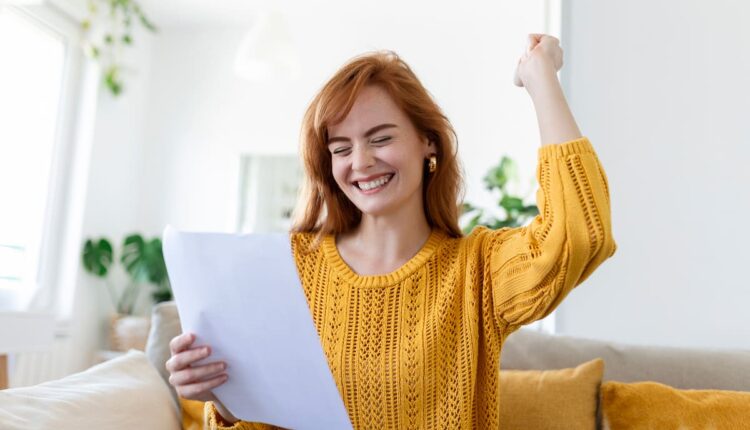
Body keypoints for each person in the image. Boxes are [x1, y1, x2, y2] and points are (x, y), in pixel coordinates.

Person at [166, 34, 617, 429]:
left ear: (429, 143)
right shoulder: (291, 268)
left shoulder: (477, 270)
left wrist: (541, 81)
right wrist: (223, 401)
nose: (360, 162)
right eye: (341, 148)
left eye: (380, 138)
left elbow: (579, 233)